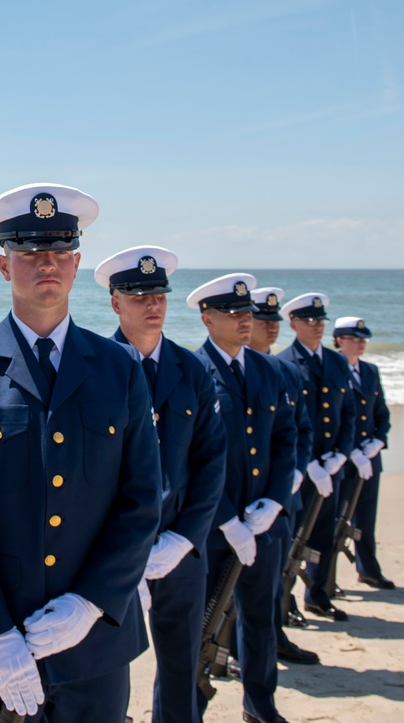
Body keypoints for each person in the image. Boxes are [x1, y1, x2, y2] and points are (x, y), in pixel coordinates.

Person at [0, 183, 161, 723]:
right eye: (30, 251)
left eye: (61, 251)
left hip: (97, 643)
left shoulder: (119, 368)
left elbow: (141, 502)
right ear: (2, 263)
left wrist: (92, 601)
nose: (47, 263)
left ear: (78, 262)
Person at [94, 245, 227, 723]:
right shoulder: (96, 367)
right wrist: (126, 548)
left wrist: (185, 538)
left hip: (179, 548)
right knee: (108, 670)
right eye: (137, 294)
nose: (152, 304)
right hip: (112, 554)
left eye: (158, 294)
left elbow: (211, 462)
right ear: (115, 303)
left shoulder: (192, 370)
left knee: (181, 663)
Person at [188, 274, 296, 723]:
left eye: (247, 313)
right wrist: (228, 520)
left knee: (261, 620)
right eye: (233, 314)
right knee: (200, 631)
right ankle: (189, 708)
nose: (244, 320)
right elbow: (189, 458)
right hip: (215, 531)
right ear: (207, 318)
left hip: (264, 524)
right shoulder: (191, 371)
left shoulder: (270, 369)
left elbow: (285, 437)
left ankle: (260, 703)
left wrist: (274, 501)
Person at [249, 287, 319, 665]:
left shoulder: (286, 372)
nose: (270, 329)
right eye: (264, 321)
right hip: (240, 503)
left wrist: (293, 473)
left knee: (274, 578)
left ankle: (274, 637)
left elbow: (299, 429)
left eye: (275, 322)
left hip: (279, 496)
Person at [276, 293, 356, 620]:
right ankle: (286, 602)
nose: (317, 326)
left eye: (321, 321)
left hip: (331, 465)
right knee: (294, 537)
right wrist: (307, 463)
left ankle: (318, 594)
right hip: (300, 469)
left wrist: (341, 455)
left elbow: (348, 412)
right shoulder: (284, 363)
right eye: (310, 321)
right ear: (293, 324)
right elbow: (289, 422)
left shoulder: (337, 362)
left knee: (324, 535)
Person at [332, 316, 394, 589]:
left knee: (365, 519)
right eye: (353, 339)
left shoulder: (370, 371)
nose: (359, 344)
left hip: (369, 459)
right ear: (338, 341)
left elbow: (381, 413)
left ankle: (368, 569)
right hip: (342, 460)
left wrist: (377, 442)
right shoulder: (332, 370)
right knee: (333, 521)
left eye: (362, 340)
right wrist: (350, 451)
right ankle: (326, 581)